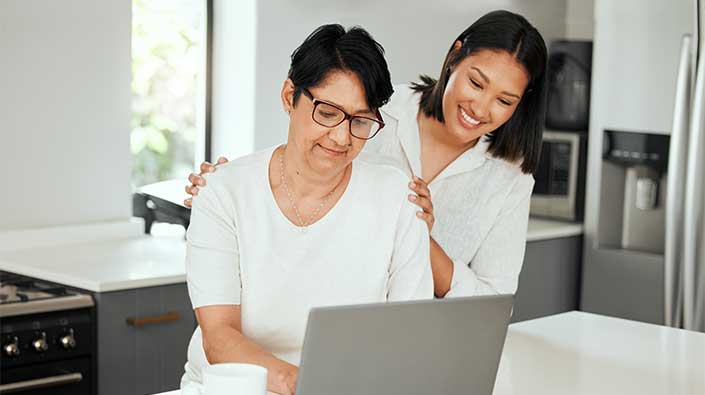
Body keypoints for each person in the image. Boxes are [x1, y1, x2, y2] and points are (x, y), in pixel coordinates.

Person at [185, 10, 548, 298]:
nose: (481, 108)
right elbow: (298, 162)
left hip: (429, 340)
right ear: (455, 55)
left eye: (504, 100)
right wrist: (231, 188)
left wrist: (417, 235)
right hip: (324, 315)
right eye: (476, 82)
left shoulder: (510, 176)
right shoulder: (373, 113)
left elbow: (493, 303)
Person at [180, 24, 433, 395]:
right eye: (328, 113)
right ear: (289, 96)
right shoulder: (223, 193)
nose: (342, 137)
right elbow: (218, 338)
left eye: (360, 121)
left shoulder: (397, 197)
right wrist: (307, 385)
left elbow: (409, 335)